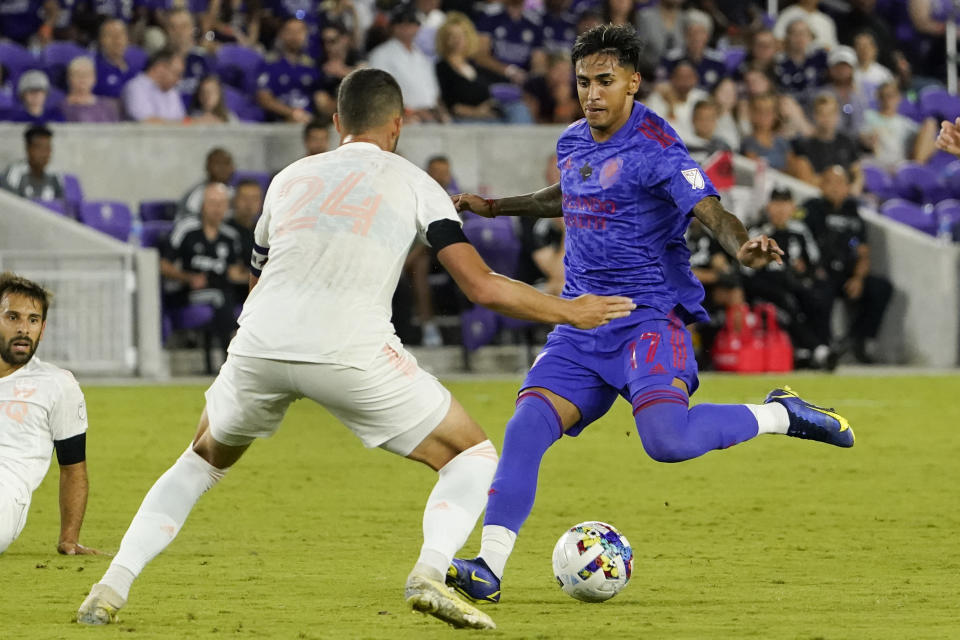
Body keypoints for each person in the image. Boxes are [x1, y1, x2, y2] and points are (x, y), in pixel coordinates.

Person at [76, 67, 634, 630]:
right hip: (351, 350)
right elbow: (481, 285)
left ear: (337, 122)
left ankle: (110, 587)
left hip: (259, 341)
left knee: (199, 460)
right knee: (470, 457)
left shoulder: (288, 178)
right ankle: (429, 572)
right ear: (399, 124)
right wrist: (571, 309)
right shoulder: (418, 183)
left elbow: (258, 274)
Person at [444, 24, 855, 605]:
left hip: (647, 319)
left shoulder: (659, 148)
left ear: (634, 82)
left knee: (666, 442)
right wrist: (494, 207)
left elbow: (708, 208)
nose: (592, 94)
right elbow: (564, 194)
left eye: (605, 81)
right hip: (584, 320)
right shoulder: (573, 141)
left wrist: (740, 245)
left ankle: (780, 416)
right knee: (525, 427)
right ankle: (488, 565)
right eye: (583, 81)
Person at [0, 272, 101, 556]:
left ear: (42, 329)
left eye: (33, 320)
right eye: (12, 317)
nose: (23, 328)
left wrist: (69, 538)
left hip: (6, 497)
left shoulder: (57, 385)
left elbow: (73, 467)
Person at [800, 166, 892, 363]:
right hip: (820, 273)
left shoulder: (853, 211)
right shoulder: (811, 209)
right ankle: (823, 346)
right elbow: (801, 244)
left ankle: (859, 340)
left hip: (847, 274)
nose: (835, 188)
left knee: (881, 288)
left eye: (840, 183)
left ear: (847, 187)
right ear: (821, 185)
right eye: (830, 183)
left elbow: (863, 252)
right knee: (820, 292)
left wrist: (858, 278)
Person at [745, 187, 835, 369]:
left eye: (785, 203)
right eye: (776, 203)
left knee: (818, 296)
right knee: (786, 302)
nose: (780, 209)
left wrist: (805, 270)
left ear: (793, 207)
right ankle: (816, 349)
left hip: (794, 283)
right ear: (768, 207)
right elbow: (747, 269)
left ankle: (820, 347)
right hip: (764, 285)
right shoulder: (758, 232)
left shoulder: (800, 232)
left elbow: (813, 262)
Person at [161, 182, 246, 374]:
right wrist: (187, 277)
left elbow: (234, 270)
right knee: (220, 298)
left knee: (229, 298)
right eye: (212, 203)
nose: (217, 208)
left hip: (224, 289)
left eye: (221, 204)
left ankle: (232, 361)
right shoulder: (187, 230)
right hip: (191, 291)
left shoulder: (230, 236)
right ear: (202, 205)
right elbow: (163, 264)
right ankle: (228, 363)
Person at [367, 6, 446, 123]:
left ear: (418, 27)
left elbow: (434, 94)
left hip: (430, 117)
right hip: (400, 119)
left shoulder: (422, 57)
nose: (406, 27)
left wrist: (441, 114)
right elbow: (379, 93)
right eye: (401, 23)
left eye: (411, 23)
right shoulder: (380, 54)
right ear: (393, 27)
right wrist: (407, 112)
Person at [256, 18, 330, 123]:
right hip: (279, 121)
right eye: (290, 31)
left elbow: (321, 97)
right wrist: (291, 113)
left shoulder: (313, 66)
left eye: (299, 31)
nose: (295, 36)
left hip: (309, 121)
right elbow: (263, 99)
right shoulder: (270, 64)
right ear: (281, 34)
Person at [787, 93, 863, 193]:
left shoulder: (847, 141)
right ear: (815, 116)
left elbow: (857, 171)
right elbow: (807, 179)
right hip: (817, 195)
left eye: (831, 113)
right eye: (822, 114)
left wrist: (856, 185)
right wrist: (836, 185)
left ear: (837, 115)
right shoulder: (804, 146)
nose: (827, 118)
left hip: (846, 194)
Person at [0, 124, 64, 203]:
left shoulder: (55, 177)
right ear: (28, 149)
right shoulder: (14, 174)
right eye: (40, 148)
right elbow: (10, 207)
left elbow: (62, 208)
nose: (45, 153)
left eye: (48, 148)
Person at [121, 47, 186, 123]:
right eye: (176, 74)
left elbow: (181, 119)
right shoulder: (135, 87)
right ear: (160, 68)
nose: (178, 81)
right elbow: (147, 121)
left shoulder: (172, 91)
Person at [227, 178, 263, 303]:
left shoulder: (265, 232)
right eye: (244, 198)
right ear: (235, 200)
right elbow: (234, 275)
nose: (249, 204)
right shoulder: (225, 231)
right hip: (233, 295)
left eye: (255, 199)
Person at [178, 148, 236, 218]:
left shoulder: (235, 193)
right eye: (218, 164)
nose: (223, 168)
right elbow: (186, 222)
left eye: (227, 163)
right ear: (208, 167)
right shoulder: (196, 193)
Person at [62, 56, 121, 123]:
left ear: (94, 78)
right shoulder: (61, 108)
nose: (82, 78)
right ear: (68, 78)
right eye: (77, 74)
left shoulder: (108, 106)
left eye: (87, 74)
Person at [93, 19, 141, 100]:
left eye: (121, 34)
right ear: (101, 40)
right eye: (111, 35)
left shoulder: (138, 65)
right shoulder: (93, 68)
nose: (117, 40)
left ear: (127, 39)